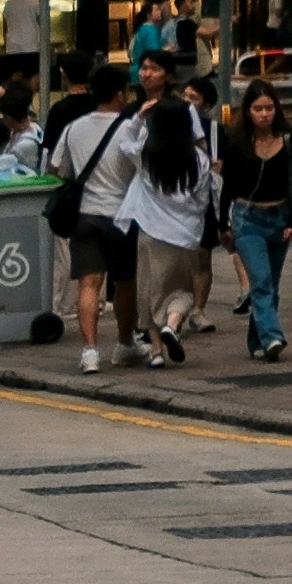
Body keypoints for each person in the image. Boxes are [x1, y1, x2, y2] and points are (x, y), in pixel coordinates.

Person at [100, 68, 210, 368]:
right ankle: (173, 326)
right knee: (182, 291)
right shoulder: (199, 160)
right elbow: (202, 199)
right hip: (185, 235)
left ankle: (157, 352)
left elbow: (125, 144)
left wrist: (139, 117)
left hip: (149, 233)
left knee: (148, 293)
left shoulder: (147, 155)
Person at [50, 70, 138, 372]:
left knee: (88, 284)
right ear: (119, 94)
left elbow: (56, 169)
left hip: (84, 216)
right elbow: (142, 171)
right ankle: (125, 344)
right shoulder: (130, 129)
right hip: (121, 217)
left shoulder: (73, 129)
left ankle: (89, 352)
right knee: (124, 283)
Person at [221, 85, 292, 365]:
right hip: (248, 218)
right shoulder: (236, 140)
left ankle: (256, 341)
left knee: (271, 284)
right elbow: (228, 185)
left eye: (269, 108)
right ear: (248, 111)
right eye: (258, 109)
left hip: (280, 217)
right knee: (261, 280)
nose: (264, 114)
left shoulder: (290, 138)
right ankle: (272, 336)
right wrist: (224, 223)